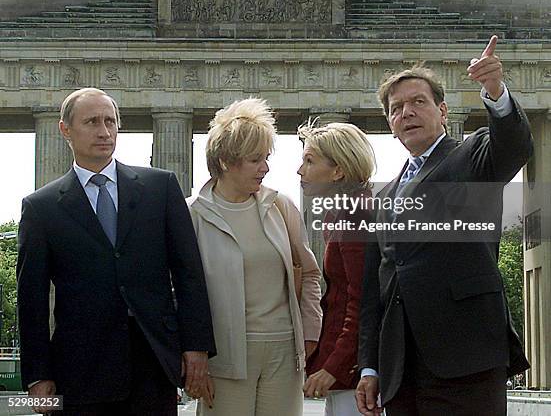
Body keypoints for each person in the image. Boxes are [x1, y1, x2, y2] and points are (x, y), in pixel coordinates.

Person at [355, 36, 533, 416]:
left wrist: (495, 92)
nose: (407, 113)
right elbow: (376, 288)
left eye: (418, 102)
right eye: (396, 108)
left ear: (443, 111)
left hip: (466, 357)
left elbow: (513, 146)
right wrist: (370, 365)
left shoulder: (471, 158)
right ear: (390, 124)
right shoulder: (383, 197)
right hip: (401, 367)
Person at [17, 87, 215, 415]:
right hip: (78, 373)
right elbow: (32, 301)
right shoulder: (41, 208)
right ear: (65, 130)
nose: (105, 132)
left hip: (153, 363)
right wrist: (38, 377)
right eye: (92, 122)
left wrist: (197, 348)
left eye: (110, 122)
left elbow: (189, 273)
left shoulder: (161, 188)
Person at [187, 98, 322, 416]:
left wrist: (310, 332)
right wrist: (192, 355)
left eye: (265, 158)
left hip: (284, 353)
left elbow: (311, 273)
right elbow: (179, 291)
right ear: (224, 161)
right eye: (254, 160)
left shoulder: (281, 206)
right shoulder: (190, 214)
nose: (265, 168)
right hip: (224, 356)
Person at [298, 121, 376, 416]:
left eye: (309, 161)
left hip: (354, 374)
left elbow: (363, 300)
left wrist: (334, 365)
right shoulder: (340, 213)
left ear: (338, 170)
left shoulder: (355, 214)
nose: (300, 170)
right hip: (347, 369)